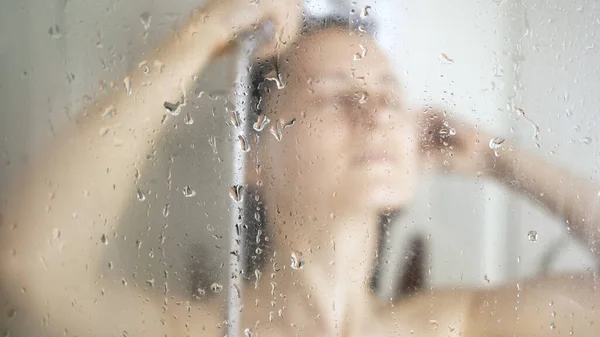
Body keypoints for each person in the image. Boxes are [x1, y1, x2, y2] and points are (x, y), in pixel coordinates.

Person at [1, 0, 599, 336]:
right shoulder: (201, 331)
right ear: (253, 156)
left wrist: (501, 159)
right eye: (335, 93)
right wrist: (206, 31)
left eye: (389, 93)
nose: (374, 111)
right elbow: (28, 267)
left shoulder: (458, 325)